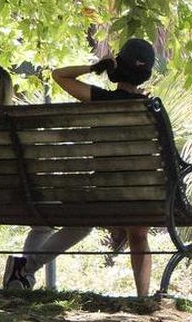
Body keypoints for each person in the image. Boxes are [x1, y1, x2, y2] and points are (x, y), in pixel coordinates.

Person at [0, 62, 93, 291]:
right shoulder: (14, 127)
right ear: (4, 93)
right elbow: (37, 169)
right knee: (86, 222)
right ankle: (25, 269)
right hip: (19, 203)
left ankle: (21, 280)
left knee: (41, 227)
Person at [49, 37, 157, 297]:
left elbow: (59, 76)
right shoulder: (150, 108)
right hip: (142, 199)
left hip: (103, 194)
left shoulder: (100, 100)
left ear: (117, 66)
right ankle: (143, 296)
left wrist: (94, 67)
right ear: (145, 75)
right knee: (138, 232)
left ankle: (26, 267)